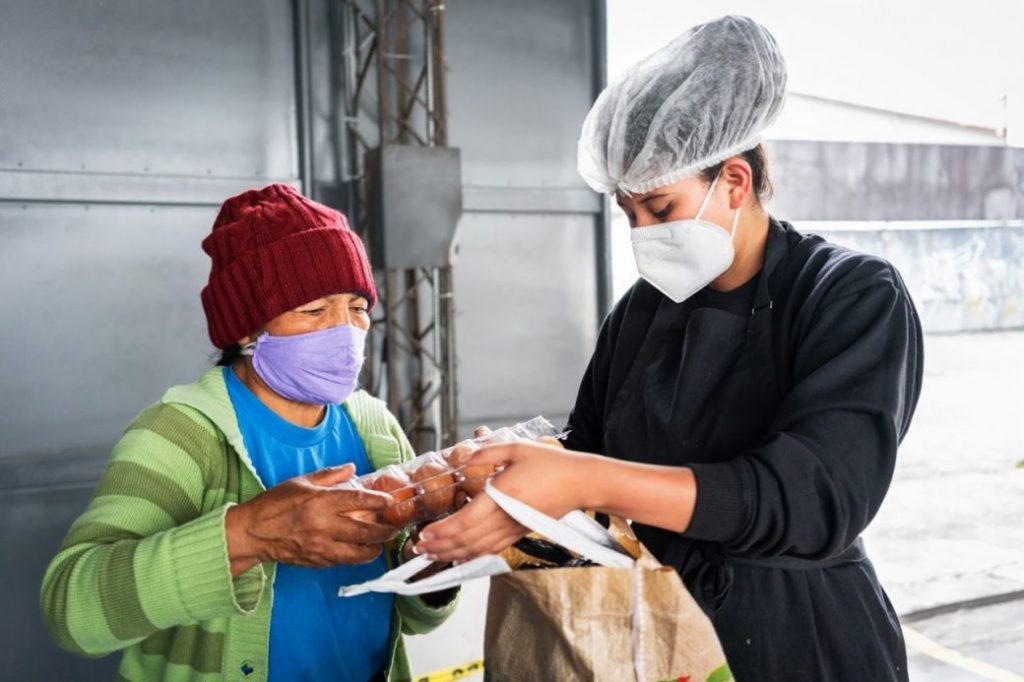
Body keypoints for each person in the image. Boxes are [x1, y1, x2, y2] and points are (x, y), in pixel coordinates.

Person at [415, 16, 922, 681]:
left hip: (804, 640)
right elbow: (591, 443)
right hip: (655, 631)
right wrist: (522, 473)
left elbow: (812, 499)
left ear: (734, 182)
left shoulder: (850, 295)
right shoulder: (644, 311)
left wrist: (577, 477)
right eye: (627, 213)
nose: (641, 233)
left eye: (658, 207)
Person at [41, 184, 456, 681]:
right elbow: (71, 612)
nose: (344, 329)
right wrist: (248, 534)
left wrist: (435, 558)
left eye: (357, 306)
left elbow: (411, 618)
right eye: (313, 310)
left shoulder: (374, 429)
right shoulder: (180, 435)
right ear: (246, 329)